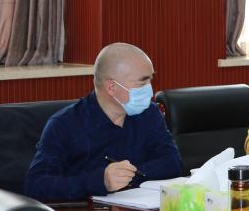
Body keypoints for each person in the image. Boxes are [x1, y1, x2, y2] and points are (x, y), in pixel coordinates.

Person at [25, 43, 182, 201]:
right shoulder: (64, 125)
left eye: (150, 80)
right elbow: (36, 185)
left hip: (141, 208)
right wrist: (101, 181)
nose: (150, 89)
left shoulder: (149, 113)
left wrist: (129, 175)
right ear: (111, 87)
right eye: (142, 83)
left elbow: (172, 162)